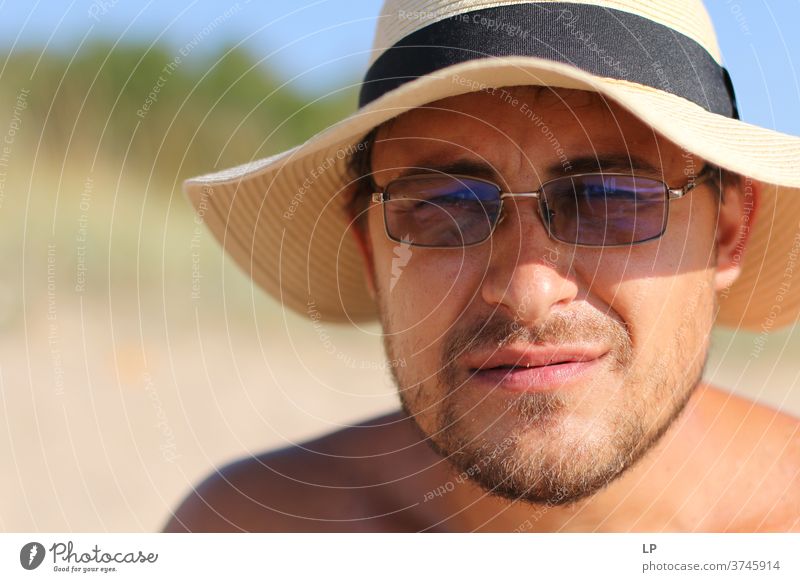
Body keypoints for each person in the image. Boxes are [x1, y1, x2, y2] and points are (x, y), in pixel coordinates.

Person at [165, 0, 800, 532]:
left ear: (727, 231)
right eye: (444, 209)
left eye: (610, 199)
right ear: (371, 251)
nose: (527, 290)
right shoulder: (251, 534)